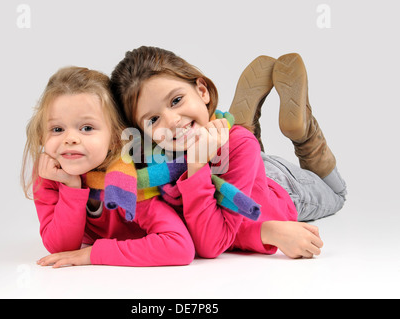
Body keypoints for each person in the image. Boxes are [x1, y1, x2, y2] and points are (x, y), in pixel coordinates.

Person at [109, 46, 347, 259]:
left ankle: (305, 134)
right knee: (242, 146)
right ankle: (237, 124)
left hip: (282, 187)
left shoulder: (238, 146)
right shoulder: (148, 162)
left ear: (203, 91)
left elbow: (213, 243)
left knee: (337, 194)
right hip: (240, 163)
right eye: (153, 119)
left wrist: (198, 164)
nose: (171, 121)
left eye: (176, 100)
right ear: (141, 131)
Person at [20, 66, 195, 267]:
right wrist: (70, 187)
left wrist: (93, 254)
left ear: (115, 139)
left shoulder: (125, 181)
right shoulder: (50, 173)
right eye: (57, 129)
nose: (70, 139)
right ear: (42, 135)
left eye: (87, 128)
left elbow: (180, 247)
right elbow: (61, 248)